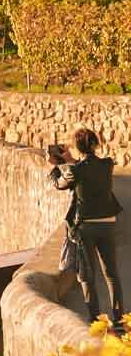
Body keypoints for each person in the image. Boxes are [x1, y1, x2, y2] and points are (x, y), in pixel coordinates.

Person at [52, 128, 124, 331]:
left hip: (86, 227)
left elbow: (60, 184)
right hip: (108, 223)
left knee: (87, 276)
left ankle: (96, 322)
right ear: (95, 144)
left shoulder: (74, 170)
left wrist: (59, 165)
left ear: (76, 147)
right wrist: (70, 161)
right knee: (111, 273)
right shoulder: (107, 164)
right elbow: (89, 169)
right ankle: (119, 321)